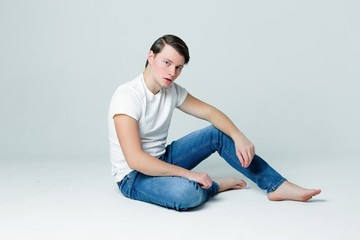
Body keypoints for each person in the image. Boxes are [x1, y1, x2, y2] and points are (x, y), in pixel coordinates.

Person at [108, 34, 321, 211]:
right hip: (133, 177)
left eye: (179, 67)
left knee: (217, 132)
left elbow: (211, 113)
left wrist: (239, 136)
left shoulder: (172, 91)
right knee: (187, 194)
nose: (172, 72)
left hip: (162, 159)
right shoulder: (127, 96)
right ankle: (215, 186)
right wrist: (188, 174)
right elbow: (135, 160)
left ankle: (277, 186)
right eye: (167, 63)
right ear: (151, 56)